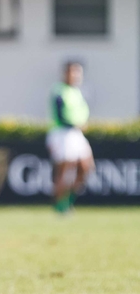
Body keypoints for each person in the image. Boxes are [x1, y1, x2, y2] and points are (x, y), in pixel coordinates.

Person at [46, 61, 94, 214]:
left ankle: (68, 201)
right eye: (72, 72)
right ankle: (59, 205)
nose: (75, 75)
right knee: (64, 170)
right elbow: (60, 115)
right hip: (62, 134)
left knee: (86, 167)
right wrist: (76, 124)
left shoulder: (77, 92)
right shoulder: (59, 91)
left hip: (76, 134)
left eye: (77, 72)